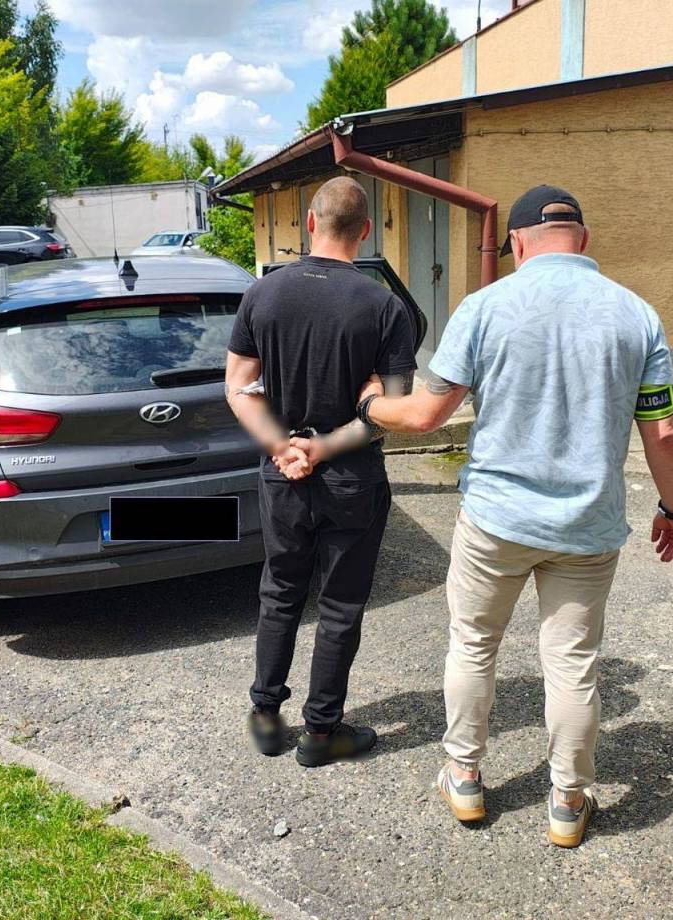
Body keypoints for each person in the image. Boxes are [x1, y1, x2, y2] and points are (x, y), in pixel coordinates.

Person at [350, 185, 673, 846]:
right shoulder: (637, 315)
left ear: (516, 242)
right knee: (573, 662)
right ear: (584, 240)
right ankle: (567, 801)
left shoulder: (484, 308)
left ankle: (465, 778)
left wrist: (369, 404)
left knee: (474, 644)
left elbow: (427, 414)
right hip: (587, 527)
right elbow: (665, 434)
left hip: (496, 521)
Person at [225, 176, 417, 768]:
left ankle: (265, 716)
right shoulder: (385, 307)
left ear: (309, 223)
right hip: (352, 480)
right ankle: (321, 731)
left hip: (282, 476)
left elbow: (237, 387)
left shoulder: (263, 294)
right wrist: (322, 448)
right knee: (340, 604)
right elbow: (394, 412)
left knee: (280, 592)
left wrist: (282, 447)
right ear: (366, 230)